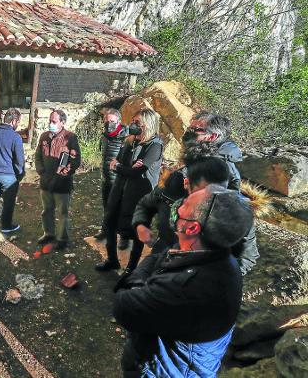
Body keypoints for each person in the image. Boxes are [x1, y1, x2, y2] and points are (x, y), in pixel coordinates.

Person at [113, 184, 254, 377]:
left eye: (186, 203)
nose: (178, 206)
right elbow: (163, 254)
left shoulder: (189, 287)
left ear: (192, 227)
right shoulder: (216, 254)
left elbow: (123, 306)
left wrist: (137, 280)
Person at [96, 108, 163, 273]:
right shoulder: (130, 141)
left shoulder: (154, 146)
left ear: (147, 124)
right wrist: (123, 167)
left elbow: (134, 171)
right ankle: (112, 261)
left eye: (137, 122)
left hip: (138, 196)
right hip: (119, 189)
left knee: (136, 231)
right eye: (133, 121)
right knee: (110, 224)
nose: (132, 125)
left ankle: (131, 269)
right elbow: (117, 162)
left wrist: (121, 167)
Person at [35, 109, 81, 250]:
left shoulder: (70, 138)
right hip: (46, 182)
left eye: (54, 121)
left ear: (62, 122)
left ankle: (62, 239)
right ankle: (49, 234)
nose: (51, 123)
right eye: (50, 121)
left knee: (62, 213)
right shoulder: (44, 137)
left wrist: (64, 172)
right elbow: (37, 156)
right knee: (47, 210)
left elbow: (76, 160)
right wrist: (40, 170)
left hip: (62, 184)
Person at [182, 111, 242, 190]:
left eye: (195, 129)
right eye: (189, 128)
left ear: (212, 136)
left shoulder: (219, 168)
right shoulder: (197, 155)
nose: (189, 132)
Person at [94, 108, 129, 240]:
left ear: (119, 121)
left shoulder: (126, 137)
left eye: (112, 121)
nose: (109, 123)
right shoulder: (104, 136)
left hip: (119, 179)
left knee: (118, 208)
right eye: (107, 121)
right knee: (106, 207)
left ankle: (121, 235)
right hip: (106, 178)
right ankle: (106, 231)